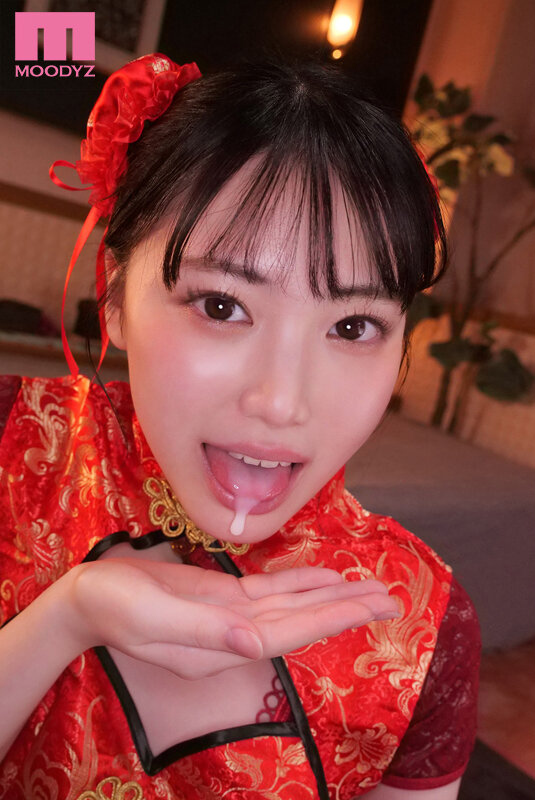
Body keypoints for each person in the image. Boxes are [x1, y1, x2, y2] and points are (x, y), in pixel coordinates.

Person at [0, 54, 480, 800]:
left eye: (352, 326)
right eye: (222, 306)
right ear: (115, 294)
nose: (281, 402)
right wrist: (65, 618)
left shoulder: (423, 622)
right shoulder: (13, 443)